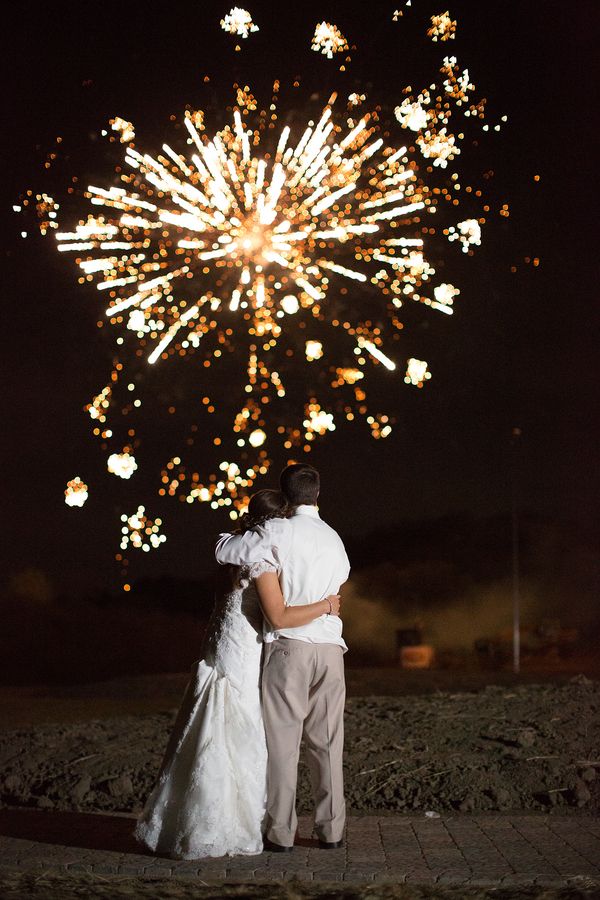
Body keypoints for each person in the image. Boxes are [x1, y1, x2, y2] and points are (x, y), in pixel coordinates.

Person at [135, 489, 340, 859]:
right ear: (275, 523)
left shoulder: (233, 556)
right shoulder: (259, 561)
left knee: (219, 727)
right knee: (245, 730)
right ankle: (237, 822)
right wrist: (326, 605)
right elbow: (278, 616)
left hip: (224, 648)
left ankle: (199, 818)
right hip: (246, 652)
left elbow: (225, 554)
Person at [215, 463, 350, 852]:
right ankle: (332, 831)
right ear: (317, 494)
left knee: (283, 745)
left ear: (286, 497)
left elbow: (225, 551)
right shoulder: (335, 539)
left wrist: (231, 535)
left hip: (290, 647)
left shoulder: (276, 531)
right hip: (331, 651)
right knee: (327, 744)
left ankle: (280, 832)